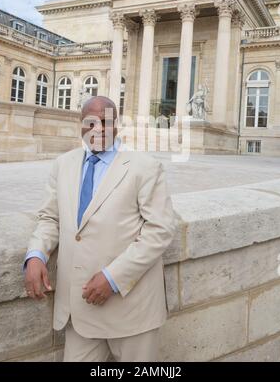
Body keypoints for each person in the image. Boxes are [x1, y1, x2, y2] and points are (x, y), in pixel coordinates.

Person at [24, 96, 178, 362]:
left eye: (106, 122)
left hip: (131, 312)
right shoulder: (63, 165)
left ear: (116, 125)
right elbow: (50, 218)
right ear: (80, 124)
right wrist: (37, 254)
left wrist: (114, 277)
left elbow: (160, 230)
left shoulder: (145, 167)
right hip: (79, 311)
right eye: (91, 122)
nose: (99, 129)